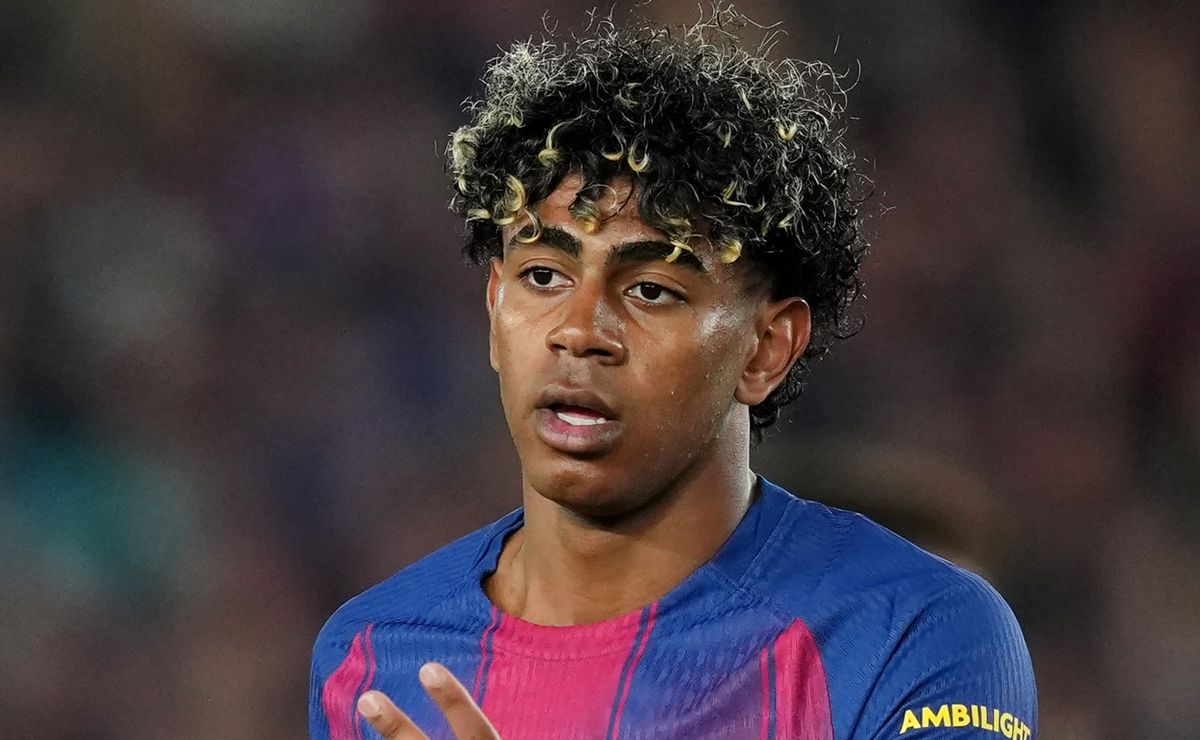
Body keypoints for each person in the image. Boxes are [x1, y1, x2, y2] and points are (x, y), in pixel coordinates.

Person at [309, 8, 1037, 739]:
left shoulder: (912, 627)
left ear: (767, 348)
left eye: (651, 290)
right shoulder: (369, 655)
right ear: (496, 308)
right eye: (543, 276)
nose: (579, 331)